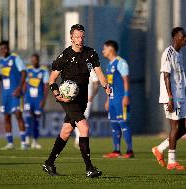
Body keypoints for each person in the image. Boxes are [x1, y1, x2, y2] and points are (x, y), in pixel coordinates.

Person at [42, 24, 111, 178]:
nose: (80, 39)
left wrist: (105, 85)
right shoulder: (64, 56)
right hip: (68, 99)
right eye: (77, 37)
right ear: (71, 37)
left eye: (82, 36)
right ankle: (89, 168)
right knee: (84, 128)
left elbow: (99, 73)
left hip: (82, 98)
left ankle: (49, 162)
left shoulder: (90, 53)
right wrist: (56, 94)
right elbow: (52, 79)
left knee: (66, 132)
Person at [152, 27, 186, 170]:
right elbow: (166, 76)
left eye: (185, 36)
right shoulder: (168, 53)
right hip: (172, 95)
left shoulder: (179, 54)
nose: (185, 39)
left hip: (181, 94)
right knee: (175, 127)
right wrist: (170, 97)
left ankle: (159, 148)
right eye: (183, 36)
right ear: (176, 38)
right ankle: (171, 161)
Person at [0, 40, 28, 150]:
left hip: (15, 92)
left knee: (18, 114)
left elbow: (24, 72)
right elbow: (2, 78)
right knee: (6, 117)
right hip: (5, 94)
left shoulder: (15, 58)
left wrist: (19, 87)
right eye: (1, 49)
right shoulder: (0, 62)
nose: (3, 50)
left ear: (8, 48)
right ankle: (10, 143)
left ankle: (24, 142)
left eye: (5, 48)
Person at [102, 40, 134, 158]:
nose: (103, 51)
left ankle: (129, 151)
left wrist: (126, 95)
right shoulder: (108, 65)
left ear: (111, 49)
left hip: (120, 99)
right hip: (112, 100)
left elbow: (126, 80)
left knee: (123, 123)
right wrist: (107, 99)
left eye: (104, 48)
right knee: (114, 125)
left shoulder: (121, 63)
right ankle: (116, 150)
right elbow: (109, 85)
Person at [23, 53, 49, 149]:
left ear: (38, 60)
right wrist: (23, 97)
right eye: (32, 60)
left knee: (36, 120)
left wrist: (44, 100)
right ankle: (26, 140)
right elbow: (24, 84)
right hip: (28, 99)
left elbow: (46, 86)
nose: (33, 61)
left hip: (38, 99)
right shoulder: (28, 70)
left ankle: (34, 142)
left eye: (35, 60)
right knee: (28, 118)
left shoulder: (44, 71)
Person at [74, 69, 99, 149]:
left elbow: (96, 84)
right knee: (76, 118)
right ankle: (79, 139)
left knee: (84, 118)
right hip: (75, 98)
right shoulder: (74, 67)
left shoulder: (90, 70)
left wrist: (93, 95)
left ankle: (80, 139)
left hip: (87, 99)